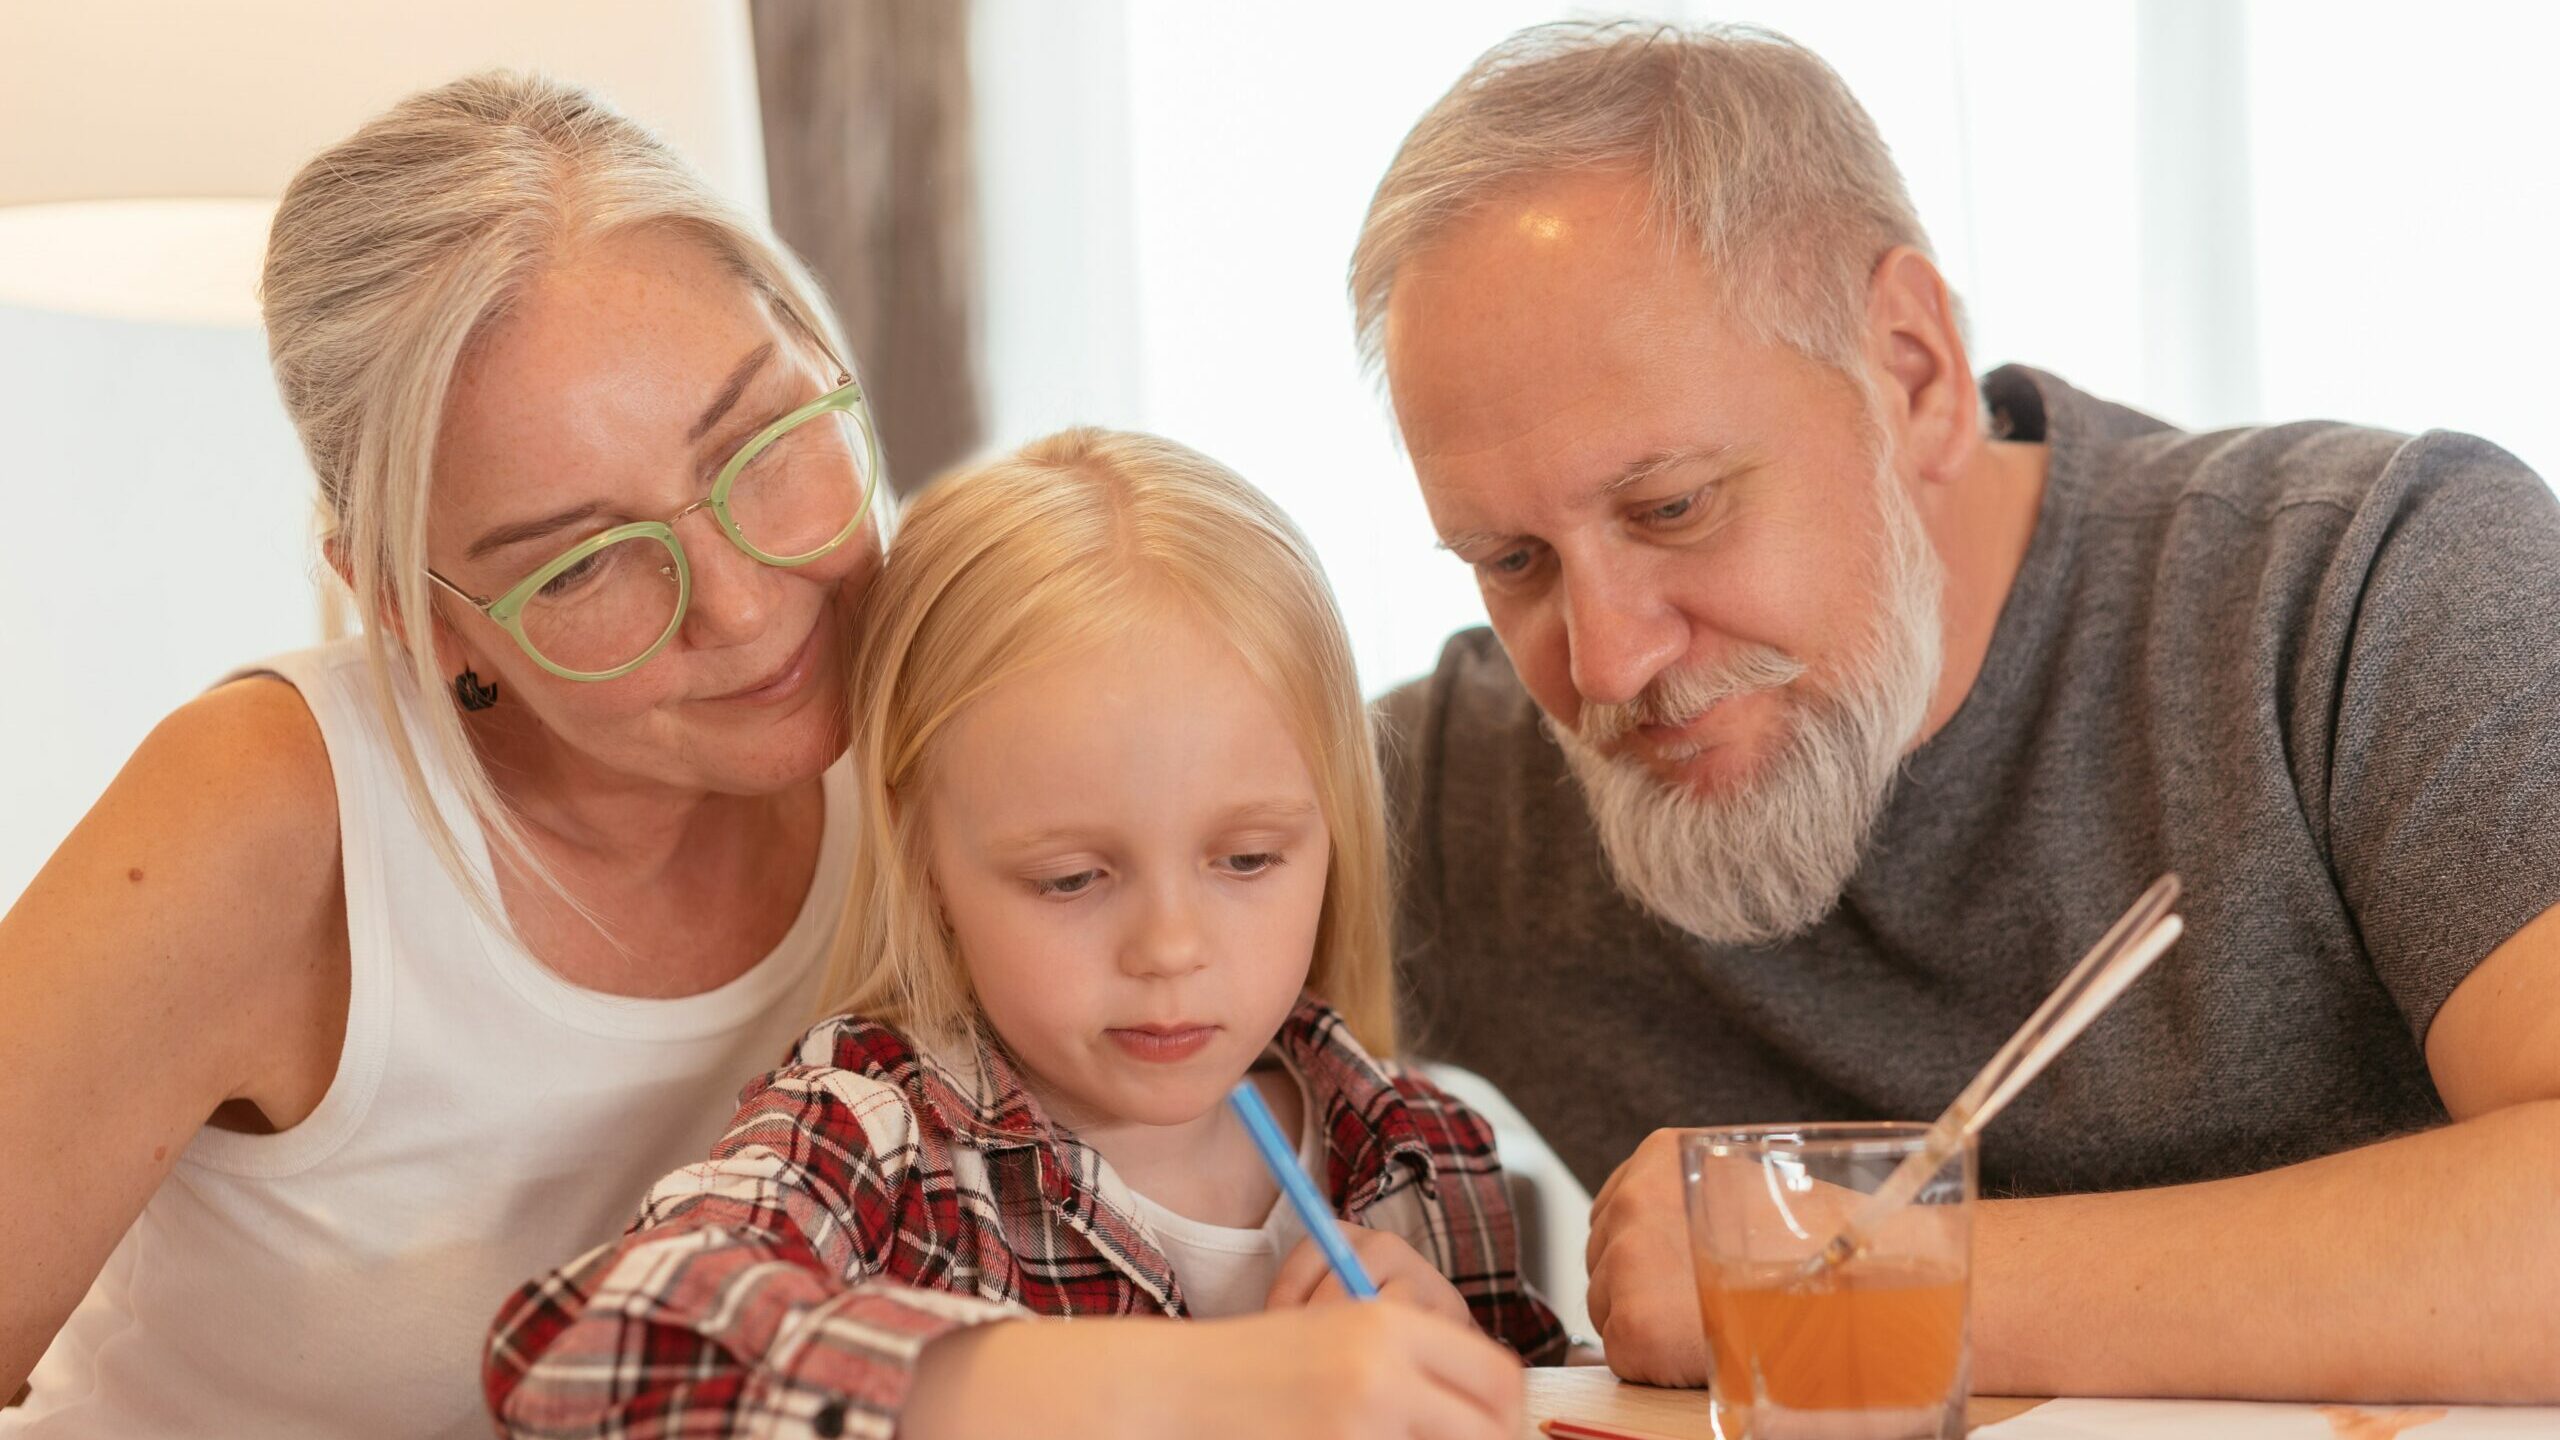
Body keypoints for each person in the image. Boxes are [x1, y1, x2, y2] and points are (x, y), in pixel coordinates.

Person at [1354, 20, 2560, 1402]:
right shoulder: (1475, 781)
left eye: (1672, 506)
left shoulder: (2372, 586)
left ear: (1914, 373)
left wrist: (1836, 1275)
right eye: (1512, 563)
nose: (1608, 665)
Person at [0, 75, 891, 1436]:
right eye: (588, 562)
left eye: (766, 442)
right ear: (412, 615)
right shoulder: (276, 814)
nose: (748, 604)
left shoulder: (948, 709)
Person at [484, 429, 1564, 1439]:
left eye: (1246, 861)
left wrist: (1473, 1378)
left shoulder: (1416, 1147)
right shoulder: (876, 1137)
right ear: (925, 862)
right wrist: (1187, 1392)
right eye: (1071, 878)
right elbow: (594, 1359)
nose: (1171, 948)